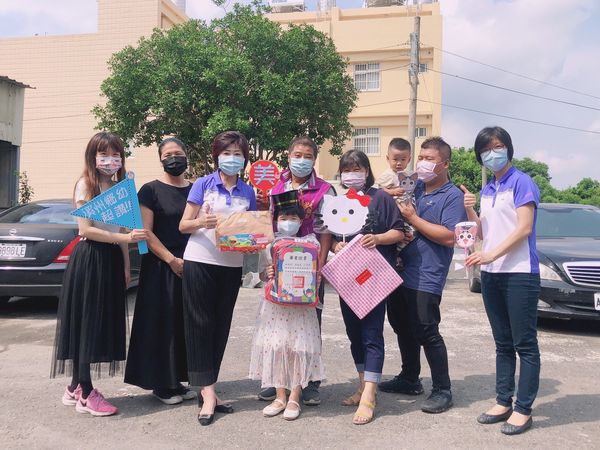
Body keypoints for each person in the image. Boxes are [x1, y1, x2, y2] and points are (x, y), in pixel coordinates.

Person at [51, 132, 149, 416]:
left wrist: (126, 267)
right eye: (103, 154)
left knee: (97, 320)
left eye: (115, 154)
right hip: (90, 258)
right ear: (93, 157)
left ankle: (73, 388)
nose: (110, 160)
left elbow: (119, 232)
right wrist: (127, 240)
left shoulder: (120, 189)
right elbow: (86, 230)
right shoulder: (87, 185)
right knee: (88, 324)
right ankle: (86, 392)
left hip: (110, 260)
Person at [380, 136, 466, 414]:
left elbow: (450, 237)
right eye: (422, 158)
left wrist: (414, 219)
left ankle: (443, 389)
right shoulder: (413, 187)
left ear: (444, 164)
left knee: (426, 330)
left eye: (430, 159)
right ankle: (409, 377)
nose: (423, 163)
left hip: (426, 274)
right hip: (399, 269)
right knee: (401, 325)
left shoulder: (452, 196)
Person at [463, 126, 541, 435]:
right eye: (485, 151)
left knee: (525, 344)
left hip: (520, 273)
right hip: (492, 274)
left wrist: (491, 254)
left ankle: (523, 409)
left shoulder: (522, 183)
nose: (491, 154)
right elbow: (482, 231)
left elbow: (523, 229)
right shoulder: (488, 189)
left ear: (508, 148)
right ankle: (503, 400)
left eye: (496, 147)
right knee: (502, 343)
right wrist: (470, 206)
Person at [179, 130, 257, 426]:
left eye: (238, 154)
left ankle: (209, 387)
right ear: (217, 156)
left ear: (244, 159)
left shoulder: (247, 192)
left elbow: (250, 230)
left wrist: (252, 243)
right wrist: (202, 221)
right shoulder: (203, 184)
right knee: (199, 324)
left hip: (230, 265)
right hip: (200, 260)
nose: (232, 158)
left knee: (221, 325)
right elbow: (183, 225)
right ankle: (208, 393)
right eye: (227, 153)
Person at [330, 150, 405, 425]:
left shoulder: (381, 197)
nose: (352, 173)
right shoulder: (337, 202)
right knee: (353, 333)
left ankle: (370, 396)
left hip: (373, 278)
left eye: (357, 168)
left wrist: (378, 237)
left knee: (372, 333)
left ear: (367, 170)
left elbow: (399, 231)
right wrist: (337, 244)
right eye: (347, 168)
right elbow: (333, 235)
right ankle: (363, 385)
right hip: (347, 277)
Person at [258, 136, 334, 406]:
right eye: (297, 155)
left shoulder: (325, 190)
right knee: (278, 328)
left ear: (314, 159)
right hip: (280, 266)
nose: (301, 160)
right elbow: (268, 225)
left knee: (309, 326)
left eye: (307, 156)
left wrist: (320, 267)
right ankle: (279, 379)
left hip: (309, 268)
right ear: (288, 156)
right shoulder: (275, 187)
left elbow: (326, 231)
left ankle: (309, 382)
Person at [124, 137, 195, 405]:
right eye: (168, 154)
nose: (174, 158)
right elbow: (146, 232)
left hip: (193, 265)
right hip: (162, 266)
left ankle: (178, 379)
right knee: (161, 324)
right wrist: (171, 260)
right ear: (160, 159)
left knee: (184, 324)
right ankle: (162, 385)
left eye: (178, 152)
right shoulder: (150, 190)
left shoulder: (196, 189)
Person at [249, 190, 325, 421]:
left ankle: (295, 396)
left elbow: (317, 274)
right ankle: (279, 395)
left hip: (301, 307)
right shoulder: (269, 243)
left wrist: (316, 278)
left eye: (293, 218)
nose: (288, 222)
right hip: (275, 306)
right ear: (276, 220)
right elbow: (262, 274)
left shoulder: (312, 244)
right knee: (278, 346)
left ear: (302, 221)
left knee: (298, 348)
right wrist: (266, 273)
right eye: (283, 218)